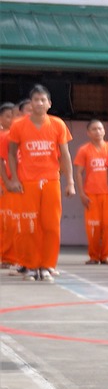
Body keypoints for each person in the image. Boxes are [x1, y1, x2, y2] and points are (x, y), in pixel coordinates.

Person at [5, 85, 74, 282]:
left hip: (51, 181)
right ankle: (31, 266)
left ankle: (47, 265)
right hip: (27, 182)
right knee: (29, 226)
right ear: (31, 102)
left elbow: (65, 155)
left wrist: (69, 181)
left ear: (49, 103)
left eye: (43, 100)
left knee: (51, 225)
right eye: (36, 99)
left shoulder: (58, 124)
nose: (39, 103)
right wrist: (14, 179)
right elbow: (10, 153)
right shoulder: (19, 125)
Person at [74, 120, 108, 265]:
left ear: (104, 131)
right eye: (94, 129)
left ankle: (105, 255)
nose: (97, 131)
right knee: (93, 226)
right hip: (91, 194)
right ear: (88, 133)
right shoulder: (84, 150)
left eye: (100, 129)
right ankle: (93, 256)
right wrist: (81, 193)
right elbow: (78, 172)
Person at [0, 102, 18, 269]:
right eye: (8, 116)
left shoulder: (17, 135)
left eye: (14, 115)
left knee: (13, 222)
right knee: (6, 222)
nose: (12, 119)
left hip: (17, 184)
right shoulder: (3, 136)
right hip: (5, 185)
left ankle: (12, 256)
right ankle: (6, 256)